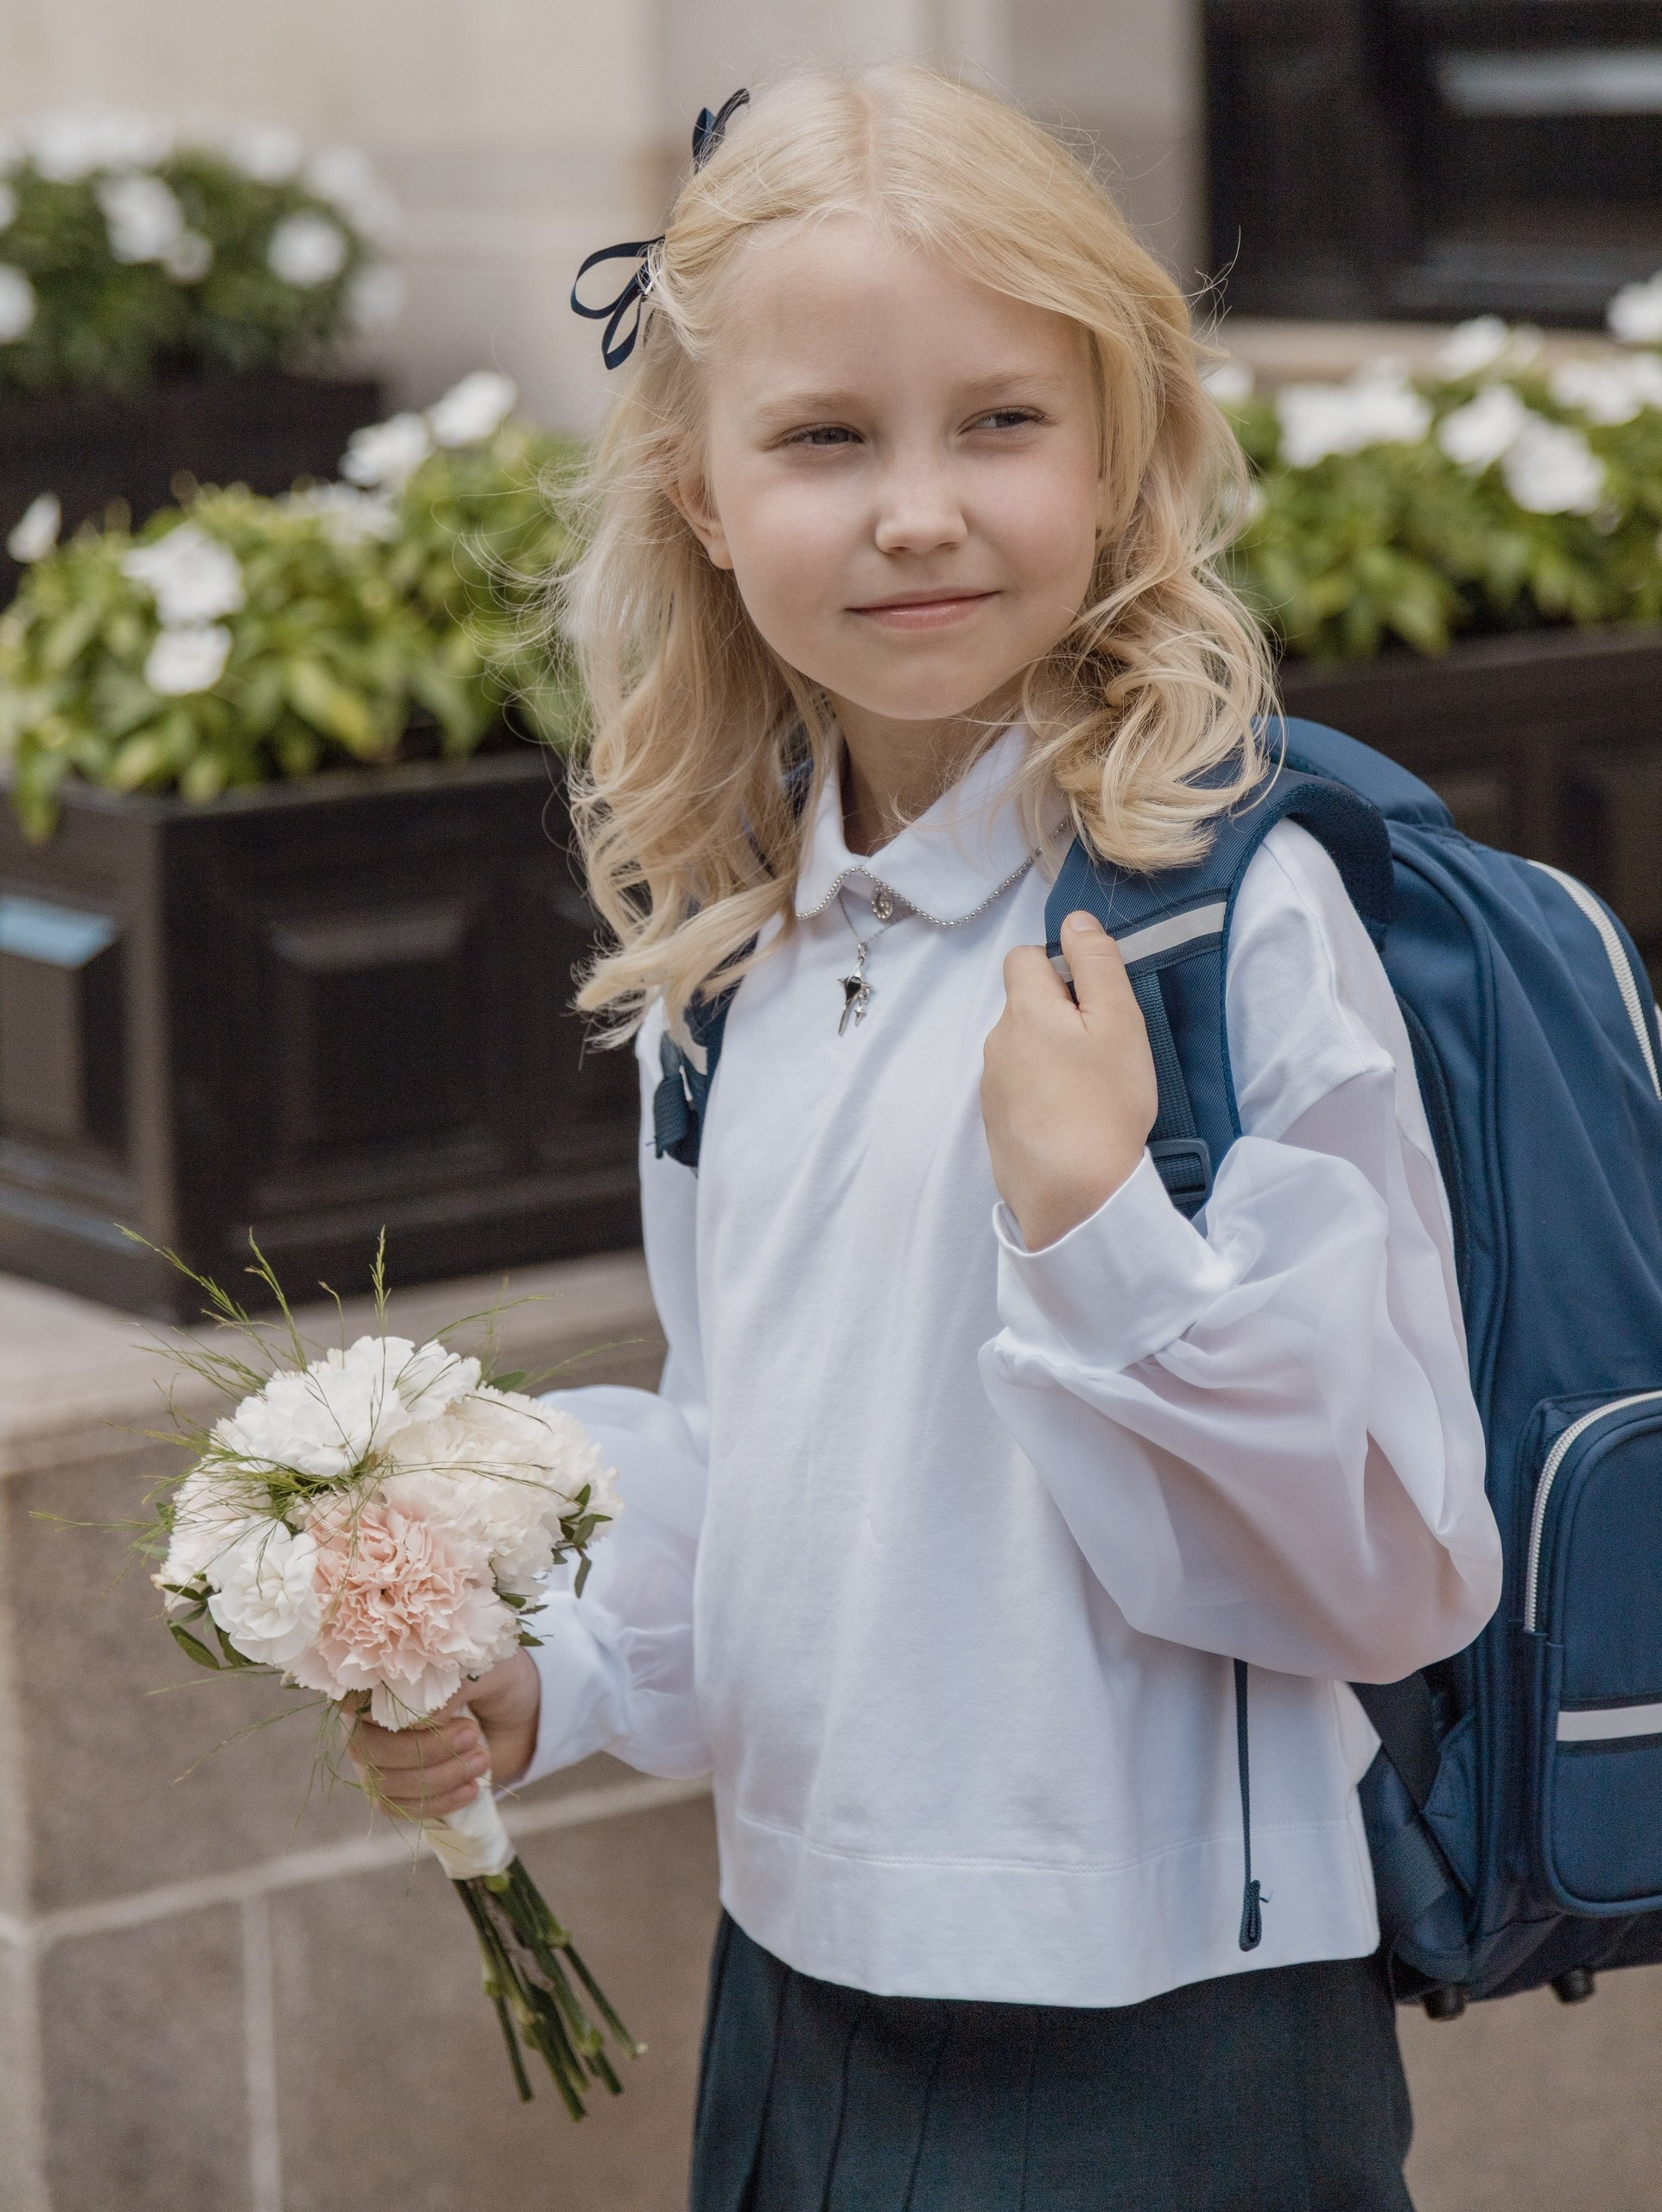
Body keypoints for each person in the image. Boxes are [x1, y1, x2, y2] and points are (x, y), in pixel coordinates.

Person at [352, 67, 1502, 2209]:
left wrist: (1095, 1229)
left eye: (997, 420)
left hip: (1168, 2019)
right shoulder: (736, 956)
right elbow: (757, 1454)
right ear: (697, 489)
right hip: (796, 1984)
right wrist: (549, 1671)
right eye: (822, 437)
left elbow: (1385, 1559)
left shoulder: (1223, 919)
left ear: (1115, 456)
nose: (914, 511)